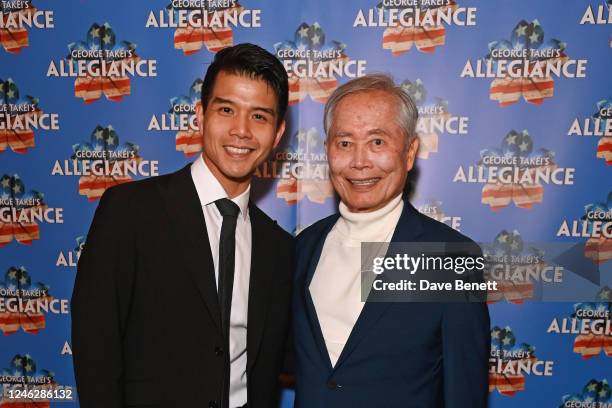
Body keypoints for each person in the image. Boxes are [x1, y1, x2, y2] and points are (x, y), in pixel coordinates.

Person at [71, 43, 294, 408]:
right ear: (201, 115)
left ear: (278, 132)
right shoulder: (130, 212)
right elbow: (95, 346)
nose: (241, 131)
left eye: (259, 116)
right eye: (226, 110)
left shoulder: (278, 247)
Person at [293, 74, 490, 407]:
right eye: (344, 143)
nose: (359, 161)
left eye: (377, 142)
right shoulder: (303, 247)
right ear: (327, 149)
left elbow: (464, 394)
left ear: (410, 152)